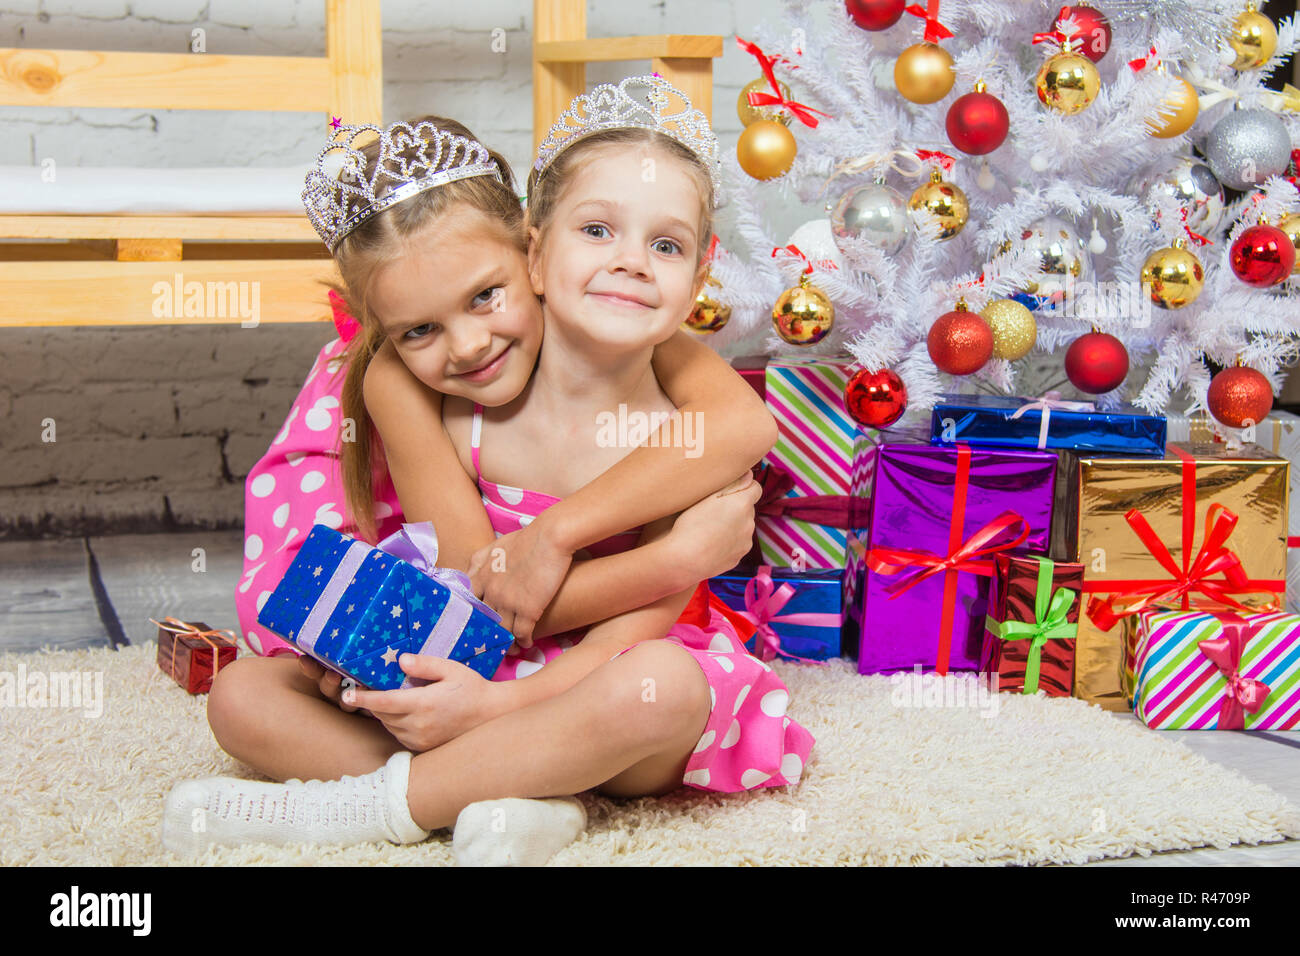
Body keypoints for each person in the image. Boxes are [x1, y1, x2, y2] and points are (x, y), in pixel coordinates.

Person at [164, 76, 813, 864]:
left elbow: (637, 627)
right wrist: (677, 559)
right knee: (242, 695)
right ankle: (539, 794)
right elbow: (483, 588)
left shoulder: (681, 416)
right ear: (541, 250)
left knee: (665, 689)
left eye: (483, 298)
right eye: (598, 231)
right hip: (472, 645)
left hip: (594, 671)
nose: (468, 346)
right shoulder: (413, 390)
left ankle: (369, 808)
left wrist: (503, 702)